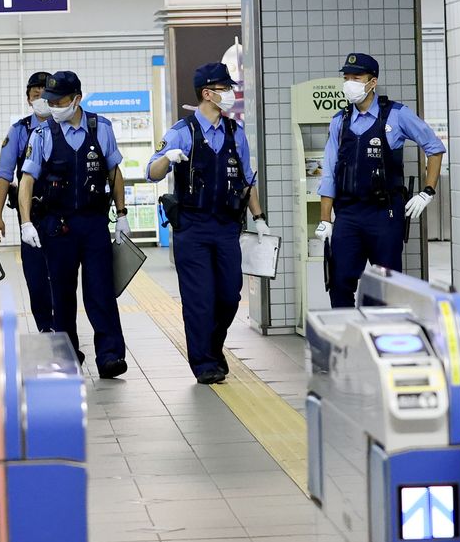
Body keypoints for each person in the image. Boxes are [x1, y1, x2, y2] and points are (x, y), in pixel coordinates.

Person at [146, 63, 271, 385]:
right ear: (207, 93)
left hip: (227, 228)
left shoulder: (235, 132)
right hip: (193, 227)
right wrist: (168, 157)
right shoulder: (182, 132)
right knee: (200, 299)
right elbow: (152, 172)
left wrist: (259, 220)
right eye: (225, 88)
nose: (230, 94)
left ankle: (213, 348)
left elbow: (245, 180)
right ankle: (203, 363)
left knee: (230, 295)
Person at [18, 71, 128, 379]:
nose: (53, 106)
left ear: (77, 99)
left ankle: (109, 356)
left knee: (101, 291)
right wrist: (26, 223)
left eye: (59, 100)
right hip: (58, 225)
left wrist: (122, 214)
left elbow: (114, 172)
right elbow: (26, 181)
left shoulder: (100, 128)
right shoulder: (41, 135)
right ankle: (67, 356)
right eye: (49, 100)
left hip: (93, 223)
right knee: (62, 294)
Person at [315, 52, 445, 307]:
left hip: (384, 214)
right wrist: (324, 220)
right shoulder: (339, 122)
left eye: (357, 77)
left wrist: (427, 191)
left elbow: (434, 147)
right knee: (339, 283)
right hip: (348, 214)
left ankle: (378, 341)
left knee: (384, 288)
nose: (349, 82)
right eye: (346, 77)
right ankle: (349, 342)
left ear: (372, 82)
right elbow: (329, 171)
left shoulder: (396, 115)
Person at [0, 71, 55, 332]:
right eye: (35, 95)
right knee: (37, 273)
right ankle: (45, 325)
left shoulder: (65, 126)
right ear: (28, 99)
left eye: (45, 95)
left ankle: (64, 326)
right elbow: (5, 175)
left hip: (66, 213)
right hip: (33, 214)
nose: (41, 100)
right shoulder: (19, 130)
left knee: (62, 273)